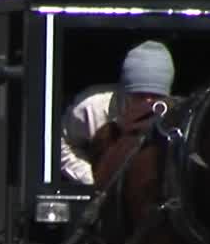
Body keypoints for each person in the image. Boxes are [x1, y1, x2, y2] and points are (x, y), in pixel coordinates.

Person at [59, 40, 176, 184]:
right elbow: (60, 143)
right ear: (124, 91)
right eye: (140, 95)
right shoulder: (91, 108)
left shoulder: (176, 115)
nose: (148, 102)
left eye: (156, 96)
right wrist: (91, 177)